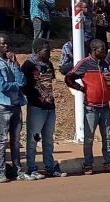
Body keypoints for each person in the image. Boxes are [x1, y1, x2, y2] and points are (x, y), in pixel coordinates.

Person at [66, 39, 110, 174]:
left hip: (104, 106)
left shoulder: (104, 64)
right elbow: (69, 77)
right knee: (89, 137)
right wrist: (81, 88)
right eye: (102, 49)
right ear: (94, 50)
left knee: (107, 136)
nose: (105, 51)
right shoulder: (84, 64)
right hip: (91, 107)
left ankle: (109, 162)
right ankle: (88, 164)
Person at [0, 34, 34, 182]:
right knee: (2, 139)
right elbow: (2, 86)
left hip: (16, 105)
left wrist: (16, 65)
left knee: (15, 140)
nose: (6, 46)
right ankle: (1, 171)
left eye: (7, 43)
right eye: (2, 44)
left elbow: (22, 80)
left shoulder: (11, 61)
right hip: (3, 105)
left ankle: (18, 170)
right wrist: (17, 85)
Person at [22, 39, 65, 177]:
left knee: (49, 139)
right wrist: (34, 96)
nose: (49, 53)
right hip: (36, 107)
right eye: (47, 51)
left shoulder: (49, 64)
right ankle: (32, 168)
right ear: (37, 51)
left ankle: (50, 167)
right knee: (33, 139)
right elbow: (23, 86)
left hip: (50, 107)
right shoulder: (28, 66)